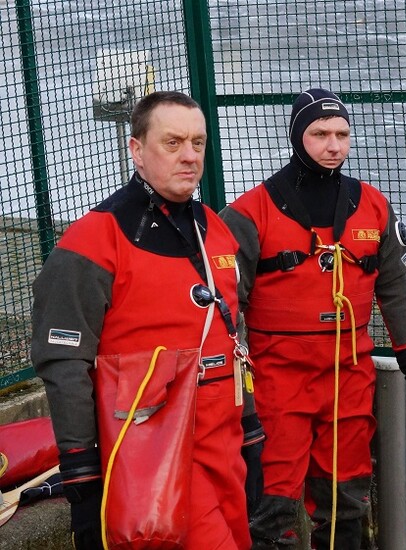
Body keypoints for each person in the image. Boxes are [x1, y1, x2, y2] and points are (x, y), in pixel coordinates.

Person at [31, 91, 262, 549]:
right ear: (136, 150)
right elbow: (63, 361)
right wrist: (81, 467)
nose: (189, 156)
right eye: (172, 143)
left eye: (198, 143)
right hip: (154, 449)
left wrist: (251, 432)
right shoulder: (93, 241)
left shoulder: (213, 228)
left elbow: (232, 333)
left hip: (223, 443)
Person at [220, 88, 406, 549]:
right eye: (319, 134)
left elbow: (397, 290)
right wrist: (239, 393)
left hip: (348, 376)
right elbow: (224, 309)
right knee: (271, 503)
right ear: (298, 136)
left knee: (347, 500)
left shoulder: (373, 206)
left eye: (342, 134)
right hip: (278, 378)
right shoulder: (248, 213)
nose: (333, 145)